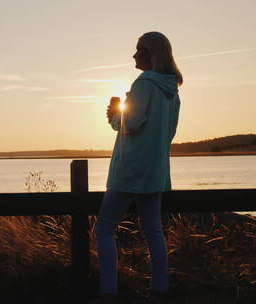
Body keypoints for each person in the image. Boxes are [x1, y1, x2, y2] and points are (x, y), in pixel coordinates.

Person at [91, 32, 182, 304]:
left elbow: (130, 125)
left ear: (150, 53)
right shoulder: (172, 91)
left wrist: (115, 116)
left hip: (130, 168)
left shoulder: (144, 84)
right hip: (155, 169)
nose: (134, 55)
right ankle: (160, 291)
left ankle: (109, 293)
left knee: (104, 229)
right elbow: (170, 133)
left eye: (138, 50)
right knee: (153, 230)